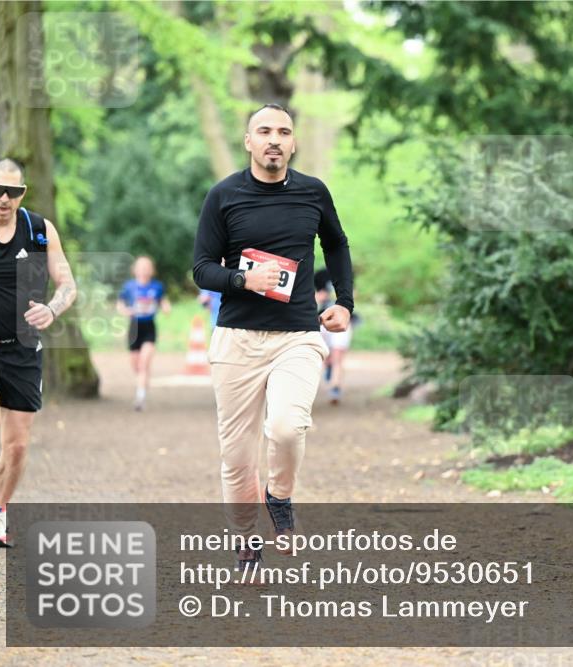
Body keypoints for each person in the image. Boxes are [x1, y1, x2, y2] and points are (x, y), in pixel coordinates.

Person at [192, 103, 353, 577]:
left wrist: (345, 302)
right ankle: (245, 541)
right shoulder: (223, 196)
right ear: (248, 141)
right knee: (236, 456)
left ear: (293, 142)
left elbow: (337, 244)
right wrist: (245, 281)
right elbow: (201, 268)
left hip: (298, 335)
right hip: (237, 338)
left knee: (286, 426)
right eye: (264, 131)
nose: (274, 139)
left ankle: (279, 495)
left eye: (283, 131)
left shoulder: (312, 192)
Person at [0, 158, 77, 547]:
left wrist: (52, 308)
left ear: (22, 193)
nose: (3, 199)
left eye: (12, 191)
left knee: (18, 444)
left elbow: (67, 284)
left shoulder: (38, 230)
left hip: (23, 346)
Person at [117, 256, 171, 411]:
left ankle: (140, 398)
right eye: (141, 267)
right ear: (135, 270)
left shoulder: (157, 286)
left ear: (152, 270)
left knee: (143, 363)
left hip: (149, 328)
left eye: (147, 267)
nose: (144, 270)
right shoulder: (129, 287)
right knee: (136, 365)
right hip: (134, 328)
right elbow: (120, 304)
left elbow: (163, 301)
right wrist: (125, 311)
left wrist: (166, 307)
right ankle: (143, 382)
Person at [313, 267, 355, 405]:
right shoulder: (319, 275)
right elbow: (314, 295)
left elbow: (353, 293)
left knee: (338, 355)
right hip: (323, 320)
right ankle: (330, 371)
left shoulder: (345, 271)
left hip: (342, 319)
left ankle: (335, 387)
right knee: (326, 355)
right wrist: (320, 297)